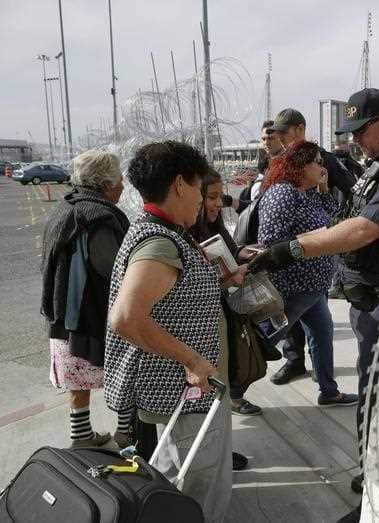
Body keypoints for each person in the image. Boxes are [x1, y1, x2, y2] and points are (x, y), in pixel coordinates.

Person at [248, 88, 379, 523]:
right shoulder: (378, 168)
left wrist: (290, 249)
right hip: (369, 303)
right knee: (372, 394)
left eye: (362, 130)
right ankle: (374, 471)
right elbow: (343, 221)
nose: (355, 140)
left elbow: (363, 230)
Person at [105, 141, 246, 522]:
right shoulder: (158, 241)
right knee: (200, 490)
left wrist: (222, 278)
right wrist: (193, 359)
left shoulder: (163, 231)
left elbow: (171, 298)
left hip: (181, 392)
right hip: (186, 393)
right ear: (180, 184)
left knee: (174, 481)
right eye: (200, 187)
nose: (203, 198)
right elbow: (126, 317)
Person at [257, 140, 358, 407]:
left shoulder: (310, 193)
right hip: (293, 287)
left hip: (315, 287)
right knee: (265, 340)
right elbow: (270, 241)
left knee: (322, 335)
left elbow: (333, 221)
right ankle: (233, 385)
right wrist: (311, 240)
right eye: (317, 162)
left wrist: (324, 190)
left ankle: (329, 391)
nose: (322, 167)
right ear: (301, 166)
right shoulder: (283, 193)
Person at [40, 150, 131, 448]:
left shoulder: (66, 206)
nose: (122, 185)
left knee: (77, 376)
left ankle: (81, 437)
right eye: (119, 179)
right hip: (91, 315)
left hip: (63, 312)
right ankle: (125, 434)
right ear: (105, 184)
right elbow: (113, 268)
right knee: (125, 370)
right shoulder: (98, 217)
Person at [188, 169, 263, 417]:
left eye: (220, 197)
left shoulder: (215, 225)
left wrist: (244, 252)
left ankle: (232, 399)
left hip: (226, 307)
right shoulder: (184, 236)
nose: (219, 204)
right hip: (203, 320)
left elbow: (230, 251)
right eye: (212, 197)